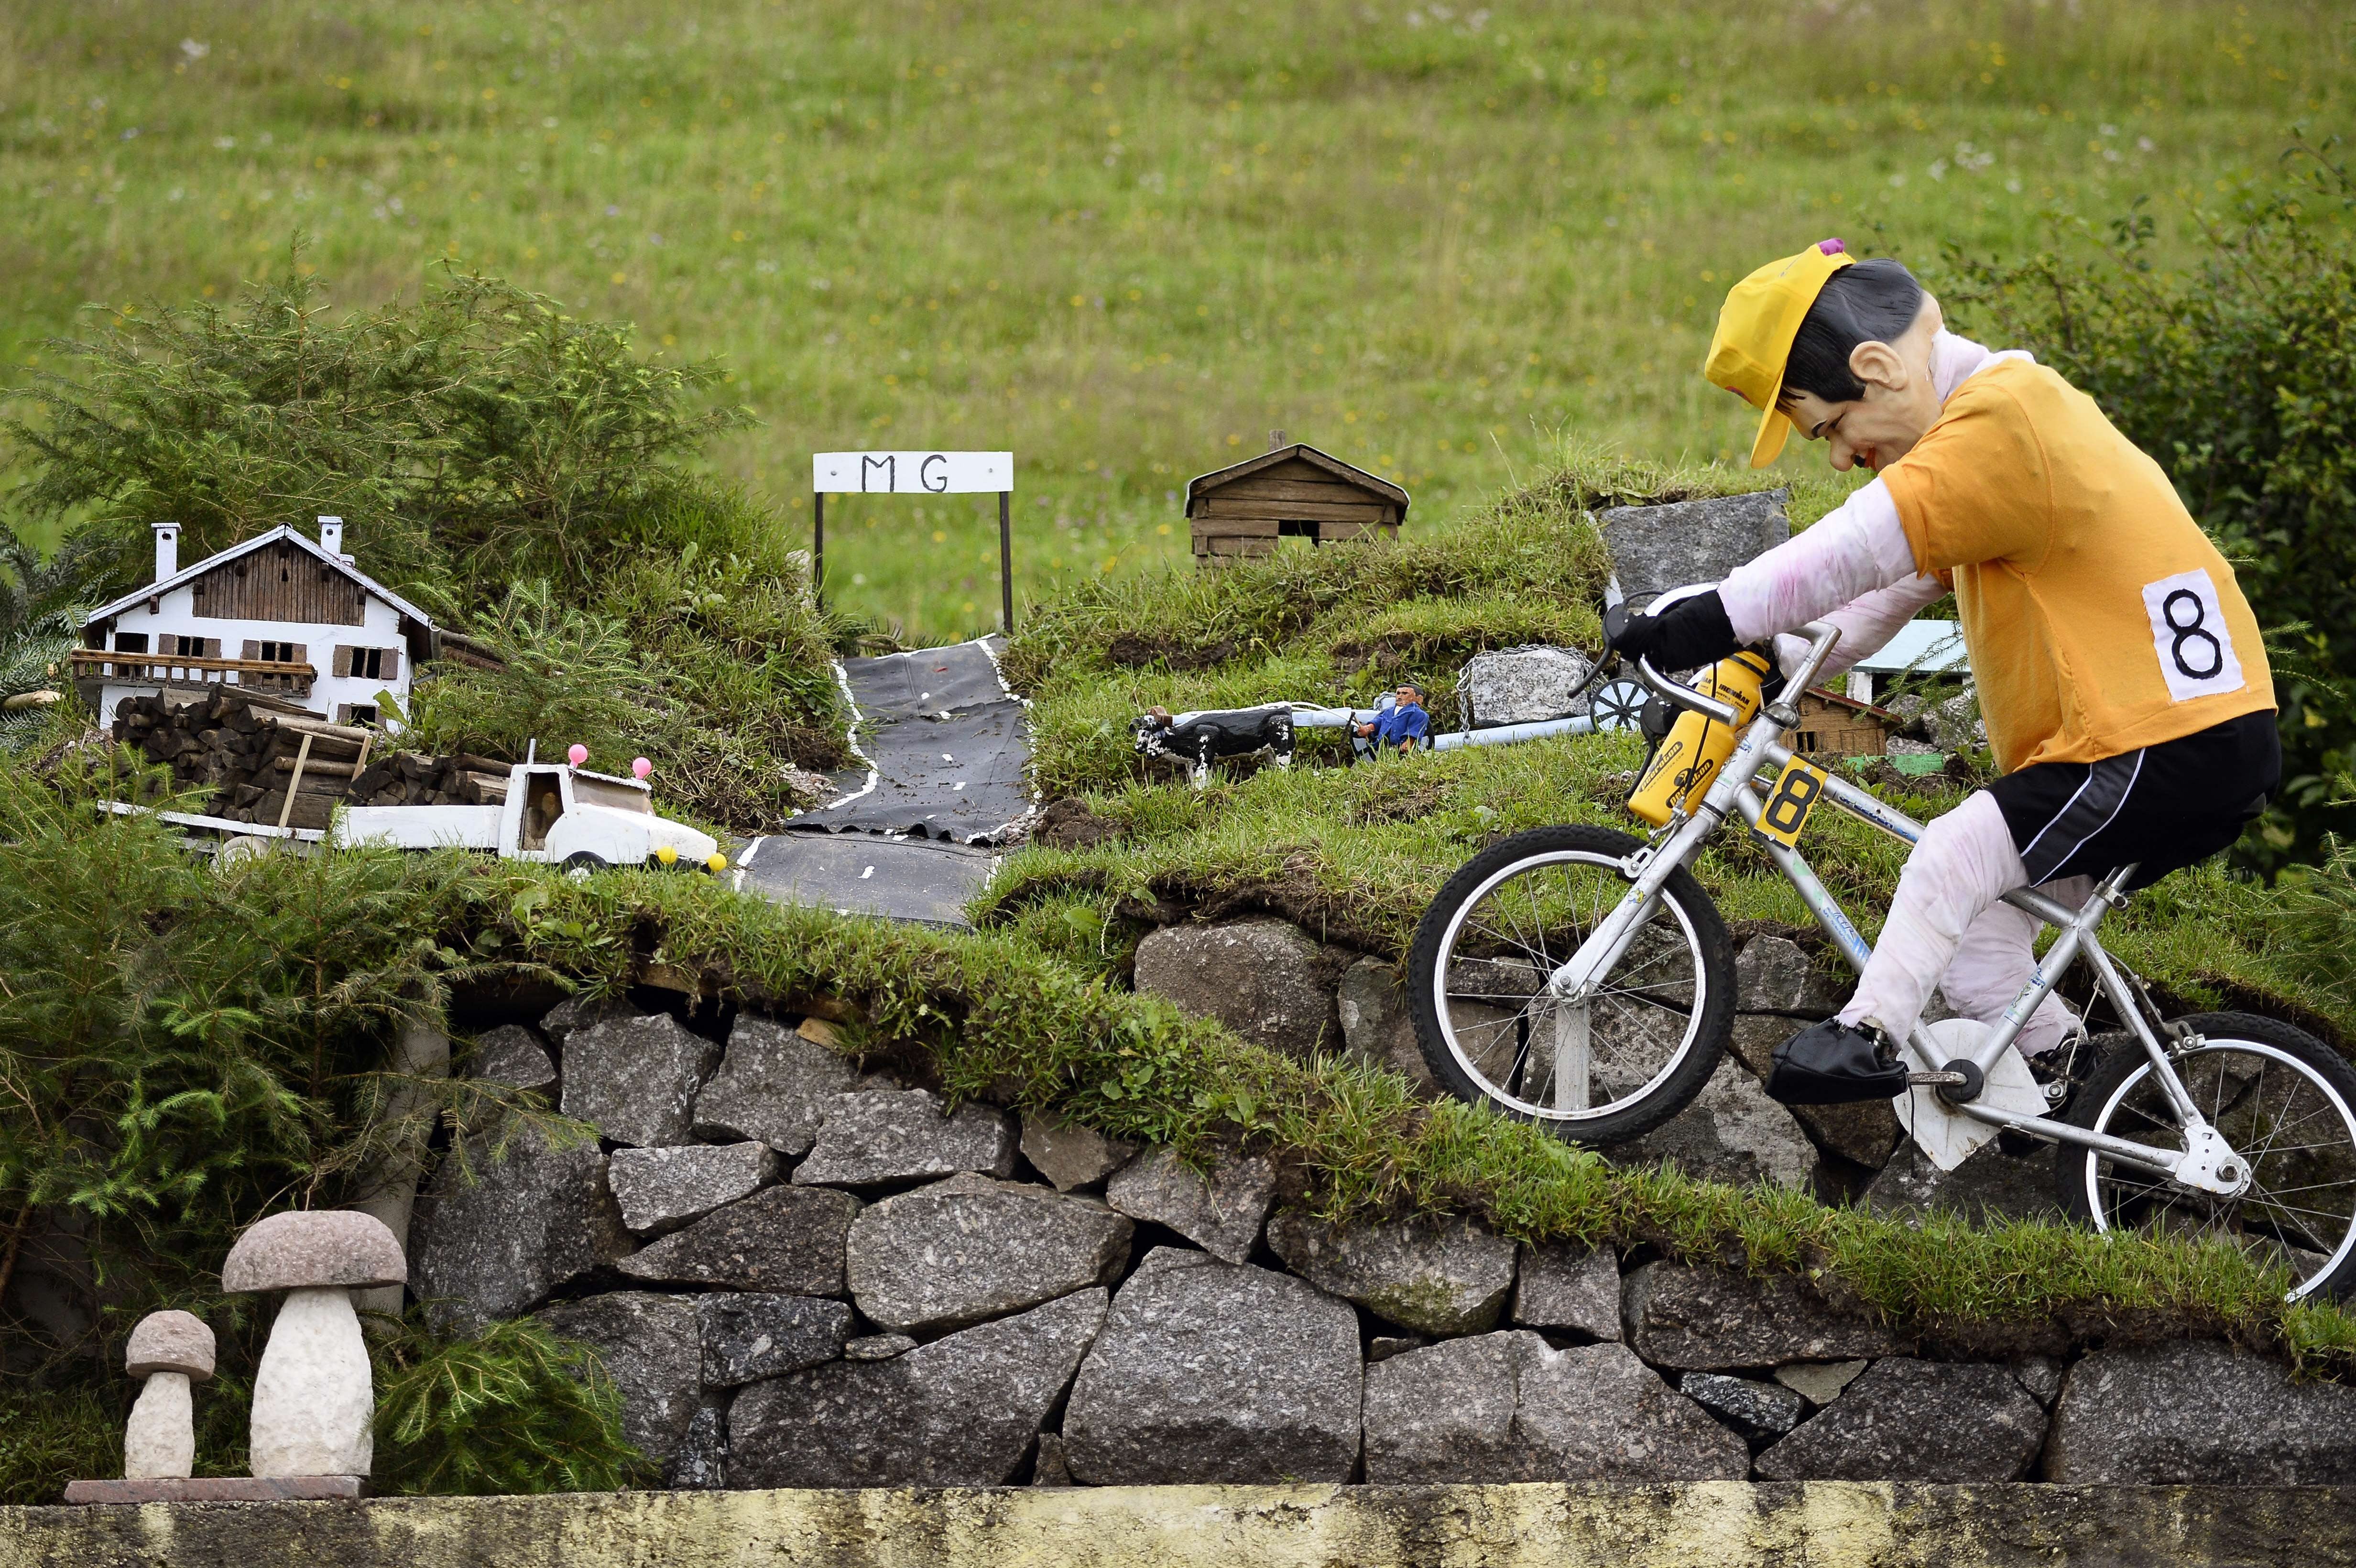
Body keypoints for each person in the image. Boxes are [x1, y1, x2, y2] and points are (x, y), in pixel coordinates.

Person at [1607, 239, 2279, 1103]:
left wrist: (1705, 616)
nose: (1840, 457)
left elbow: (1854, 549)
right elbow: (1877, 594)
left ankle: (1864, 1034)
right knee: (1977, 943)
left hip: (2161, 739)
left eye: (1831, 429)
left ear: (1877, 365)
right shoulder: (1999, 429)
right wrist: (1767, 659)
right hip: (2177, 738)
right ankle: (2094, 1100)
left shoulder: (2001, 422)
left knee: (1951, 850)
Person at [1356, 684, 1430, 756]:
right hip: (1384, 750)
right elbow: (1380, 721)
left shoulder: (1418, 714)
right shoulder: (1389, 711)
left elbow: (1415, 729)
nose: (1400, 696)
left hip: (1402, 751)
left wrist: (1409, 742)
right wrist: (1368, 728)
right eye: (1398, 693)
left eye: (1405, 694)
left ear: (1418, 698)